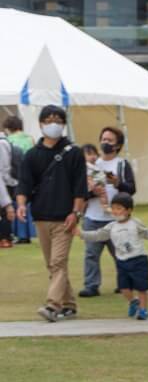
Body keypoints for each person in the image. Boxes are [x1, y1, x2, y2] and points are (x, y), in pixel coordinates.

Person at [15, 105, 89, 321]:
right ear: (40, 124)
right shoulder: (32, 155)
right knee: (53, 264)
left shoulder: (74, 153)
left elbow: (79, 187)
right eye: (48, 120)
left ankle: (52, 306)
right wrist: (21, 205)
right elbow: (24, 184)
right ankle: (69, 304)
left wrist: (76, 212)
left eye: (57, 119)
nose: (53, 124)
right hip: (41, 216)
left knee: (57, 262)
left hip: (65, 217)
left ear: (64, 124)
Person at [78, 192, 148, 320]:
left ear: (129, 210)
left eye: (119, 208)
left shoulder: (136, 223)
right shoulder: (111, 226)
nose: (115, 211)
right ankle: (133, 302)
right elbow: (97, 235)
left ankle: (143, 310)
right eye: (114, 208)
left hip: (139, 260)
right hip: (122, 262)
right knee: (124, 288)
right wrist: (81, 234)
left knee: (141, 288)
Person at [79, 126, 136, 298]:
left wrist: (118, 183)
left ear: (118, 145)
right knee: (91, 254)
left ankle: (124, 283)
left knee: (121, 253)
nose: (105, 143)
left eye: (109, 140)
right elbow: (80, 190)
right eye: (103, 139)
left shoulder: (122, 164)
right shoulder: (91, 164)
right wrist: (92, 193)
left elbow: (131, 189)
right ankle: (91, 285)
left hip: (116, 218)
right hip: (93, 216)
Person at [5, 115, 36, 244]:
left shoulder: (8, 140)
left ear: (8, 128)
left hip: (13, 177)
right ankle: (28, 234)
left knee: (15, 204)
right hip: (30, 176)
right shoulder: (30, 139)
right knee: (27, 205)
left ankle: (16, 234)